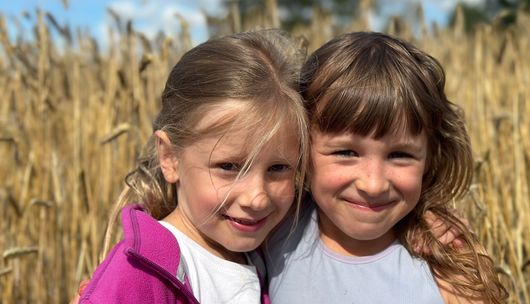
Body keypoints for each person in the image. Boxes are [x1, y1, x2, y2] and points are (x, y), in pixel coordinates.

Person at [266, 31, 508, 303]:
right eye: (346, 152)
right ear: (301, 149)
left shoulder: (446, 265)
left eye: (399, 155)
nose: (373, 184)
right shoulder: (273, 228)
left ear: (430, 158)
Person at [78, 29, 310, 304]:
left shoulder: (267, 255)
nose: (257, 198)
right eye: (229, 166)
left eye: (278, 168)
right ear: (170, 157)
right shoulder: (139, 272)